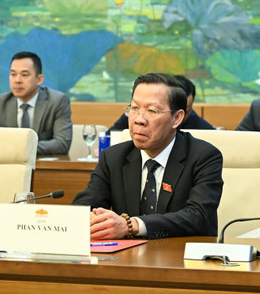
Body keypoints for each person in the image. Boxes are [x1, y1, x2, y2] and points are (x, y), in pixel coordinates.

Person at [73, 73, 223, 239]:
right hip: (127, 258)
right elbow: (84, 206)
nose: (139, 120)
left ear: (177, 118)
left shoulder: (203, 157)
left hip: (183, 257)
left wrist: (132, 225)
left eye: (152, 111)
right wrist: (91, 218)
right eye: (134, 108)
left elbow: (198, 216)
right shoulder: (113, 156)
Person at [0, 51, 72, 156]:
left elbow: (62, 143)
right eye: (13, 74)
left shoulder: (57, 101)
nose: (17, 80)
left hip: (42, 168)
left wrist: (19, 148)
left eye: (24, 75)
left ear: (39, 79)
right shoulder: (1, 102)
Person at [107, 75, 214, 132]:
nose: (140, 120)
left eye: (185, 111)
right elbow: (111, 136)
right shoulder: (136, 115)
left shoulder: (202, 127)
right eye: (152, 111)